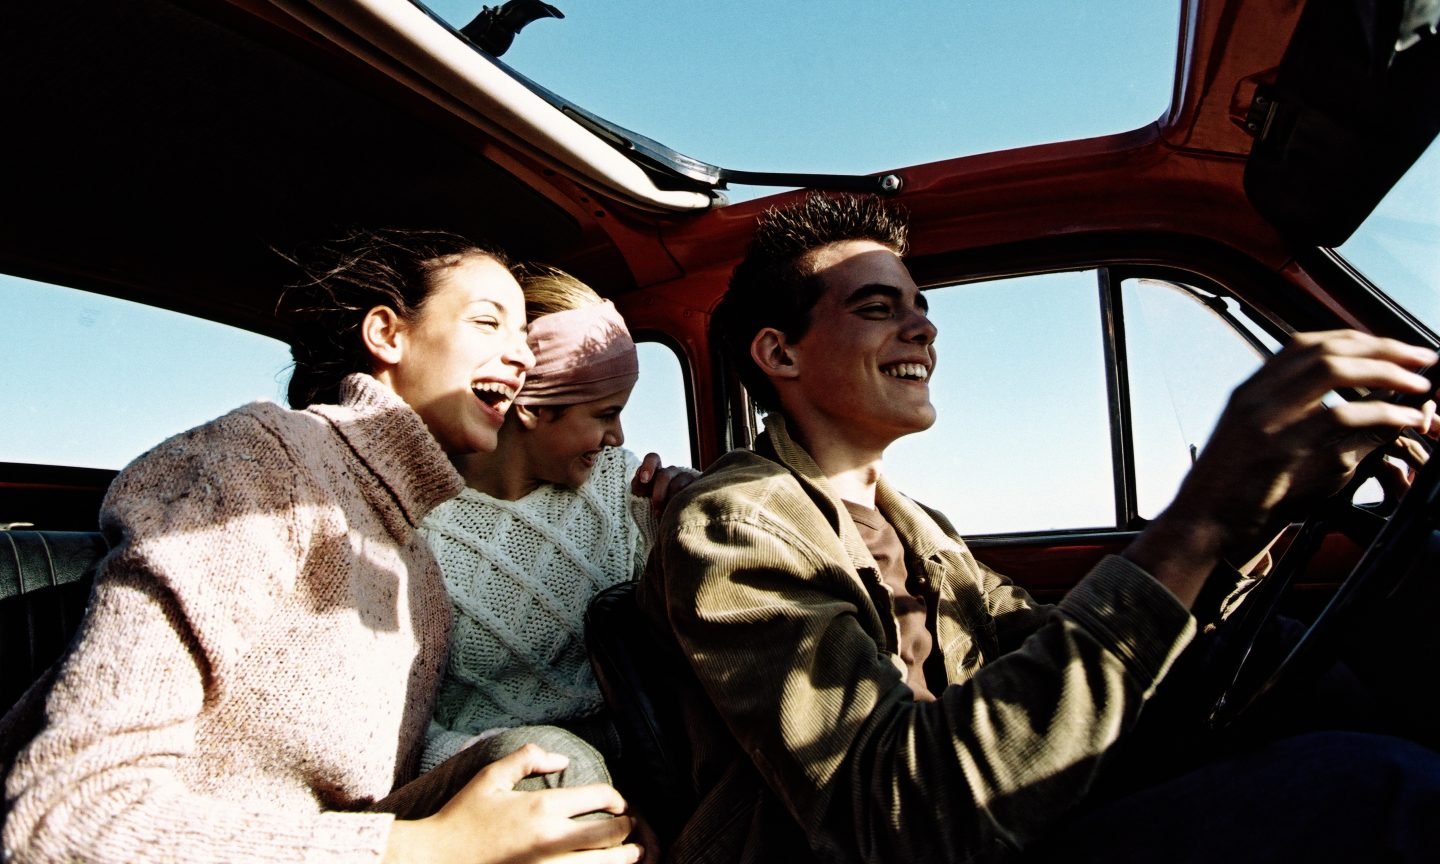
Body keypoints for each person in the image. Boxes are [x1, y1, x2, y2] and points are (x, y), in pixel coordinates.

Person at [638, 193, 1440, 863]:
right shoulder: (733, 525)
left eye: (920, 308)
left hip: (1009, 814)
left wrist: (1247, 526)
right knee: (1373, 788)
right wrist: (1195, 520)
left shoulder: (919, 527)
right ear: (780, 354)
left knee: (1286, 666)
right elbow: (892, 816)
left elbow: (1048, 653)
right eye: (878, 308)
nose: (922, 329)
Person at [2, 229, 644, 864]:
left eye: (523, 337)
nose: (522, 357)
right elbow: (61, 821)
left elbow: (377, 783)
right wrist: (425, 847)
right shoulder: (262, 464)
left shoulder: (416, 565)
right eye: (487, 322)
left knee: (549, 774)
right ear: (388, 335)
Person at [421, 266, 694, 774]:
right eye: (604, 414)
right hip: (507, 773)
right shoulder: (425, 525)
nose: (618, 436)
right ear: (531, 407)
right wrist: (510, 765)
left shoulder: (619, 484)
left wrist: (684, 518)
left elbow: (695, 623)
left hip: (647, 751)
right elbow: (412, 727)